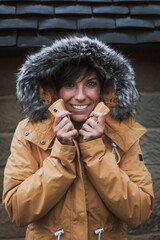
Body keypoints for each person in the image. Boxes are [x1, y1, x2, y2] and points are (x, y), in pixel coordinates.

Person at [2, 36, 154, 240]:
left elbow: (139, 213)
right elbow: (18, 211)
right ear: (55, 89)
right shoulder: (29, 132)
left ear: (103, 88)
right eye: (69, 85)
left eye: (90, 84)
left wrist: (96, 151)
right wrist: (62, 155)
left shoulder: (122, 131)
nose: (81, 96)